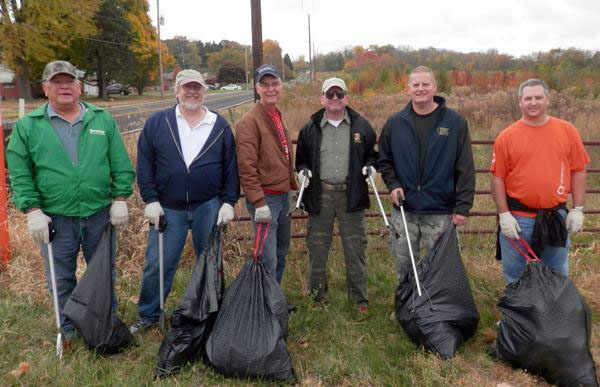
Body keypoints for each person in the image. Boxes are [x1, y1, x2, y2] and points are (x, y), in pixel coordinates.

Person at [6, 60, 134, 344]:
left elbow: (120, 163)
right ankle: (69, 328)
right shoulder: (29, 126)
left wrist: (120, 197)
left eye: (70, 82)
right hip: (55, 218)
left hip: (99, 214)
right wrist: (33, 210)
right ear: (45, 88)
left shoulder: (101, 120)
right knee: (61, 277)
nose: (64, 87)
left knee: (102, 272)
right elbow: (20, 172)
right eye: (56, 83)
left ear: (79, 87)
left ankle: (103, 322)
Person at [132, 69, 240, 332]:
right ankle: (148, 315)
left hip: (208, 206)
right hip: (168, 208)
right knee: (159, 263)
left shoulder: (219, 125)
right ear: (176, 91)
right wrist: (151, 199)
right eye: (186, 88)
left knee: (211, 262)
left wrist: (228, 201)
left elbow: (230, 168)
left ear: (204, 91)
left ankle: (211, 311)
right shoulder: (158, 123)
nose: (192, 92)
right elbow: (145, 164)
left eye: (197, 88)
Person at [378, 65, 475, 277]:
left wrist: (463, 207)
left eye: (425, 84)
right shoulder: (395, 123)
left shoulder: (454, 122)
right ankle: (406, 309)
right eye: (416, 85)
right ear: (408, 88)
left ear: (435, 87)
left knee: (442, 268)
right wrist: (393, 185)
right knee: (405, 269)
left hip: (440, 211)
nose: (420, 89)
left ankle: (441, 310)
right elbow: (384, 161)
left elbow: (466, 167)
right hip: (405, 211)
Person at [491, 78, 589, 283]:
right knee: (514, 273)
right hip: (518, 220)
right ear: (520, 101)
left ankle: (556, 314)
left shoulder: (567, 131)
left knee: (556, 273)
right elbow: (497, 177)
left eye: (538, 97)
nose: (533, 102)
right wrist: (503, 214)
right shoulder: (507, 136)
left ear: (547, 99)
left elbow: (578, 170)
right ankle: (516, 315)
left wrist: (578, 209)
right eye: (528, 98)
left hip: (555, 217)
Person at [295, 78, 378, 312]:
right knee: (318, 248)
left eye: (339, 94)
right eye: (329, 94)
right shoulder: (309, 129)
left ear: (346, 98)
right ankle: (317, 299)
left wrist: (370, 166)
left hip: (351, 196)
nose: (334, 99)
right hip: (320, 196)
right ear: (322, 98)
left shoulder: (361, 126)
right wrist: (301, 173)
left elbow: (372, 155)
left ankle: (359, 300)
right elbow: (300, 160)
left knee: (355, 249)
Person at [236, 64, 297, 283]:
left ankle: (274, 300)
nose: (271, 89)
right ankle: (263, 307)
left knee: (280, 252)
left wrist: (291, 186)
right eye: (265, 85)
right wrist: (259, 202)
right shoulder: (250, 122)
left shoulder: (275, 115)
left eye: (275, 84)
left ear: (281, 86)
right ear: (257, 88)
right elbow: (246, 166)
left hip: (282, 196)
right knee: (266, 257)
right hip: (266, 200)